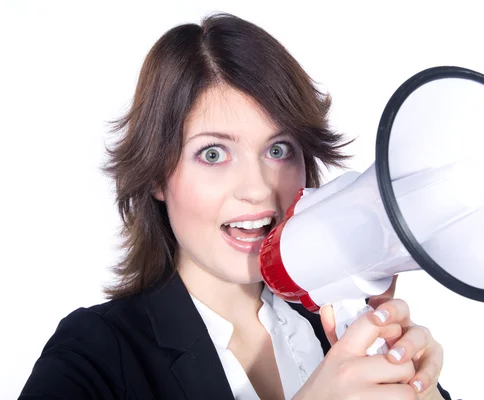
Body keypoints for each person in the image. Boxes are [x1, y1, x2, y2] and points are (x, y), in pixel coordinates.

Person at [19, 12, 453, 400]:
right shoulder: (95, 354)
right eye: (213, 154)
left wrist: (421, 390)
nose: (258, 189)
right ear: (155, 176)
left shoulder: (340, 331)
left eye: (279, 150)